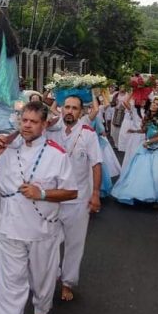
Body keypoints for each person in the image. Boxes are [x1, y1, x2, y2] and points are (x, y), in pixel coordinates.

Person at [0, 101, 77, 314]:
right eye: (24, 120)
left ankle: (41, 312)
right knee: (9, 285)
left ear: (44, 125)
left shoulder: (57, 153)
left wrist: (41, 193)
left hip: (43, 231)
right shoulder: (6, 149)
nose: (27, 125)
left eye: (33, 121)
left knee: (42, 279)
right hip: (9, 230)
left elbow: (71, 192)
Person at [54, 95, 102, 301]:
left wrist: (95, 194)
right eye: (67, 107)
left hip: (78, 199)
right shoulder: (50, 129)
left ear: (81, 112)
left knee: (74, 244)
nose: (70, 111)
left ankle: (67, 282)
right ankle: (50, 275)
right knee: (49, 242)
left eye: (74, 108)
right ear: (61, 109)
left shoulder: (88, 134)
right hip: (52, 198)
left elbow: (96, 164)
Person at [110, 97, 158, 205]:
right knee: (139, 171)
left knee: (157, 173)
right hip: (146, 146)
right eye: (153, 103)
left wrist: (149, 141)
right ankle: (140, 194)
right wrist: (135, 130)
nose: (154, 105)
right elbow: (145, 131)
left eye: (157, 104)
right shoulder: (147, 116)